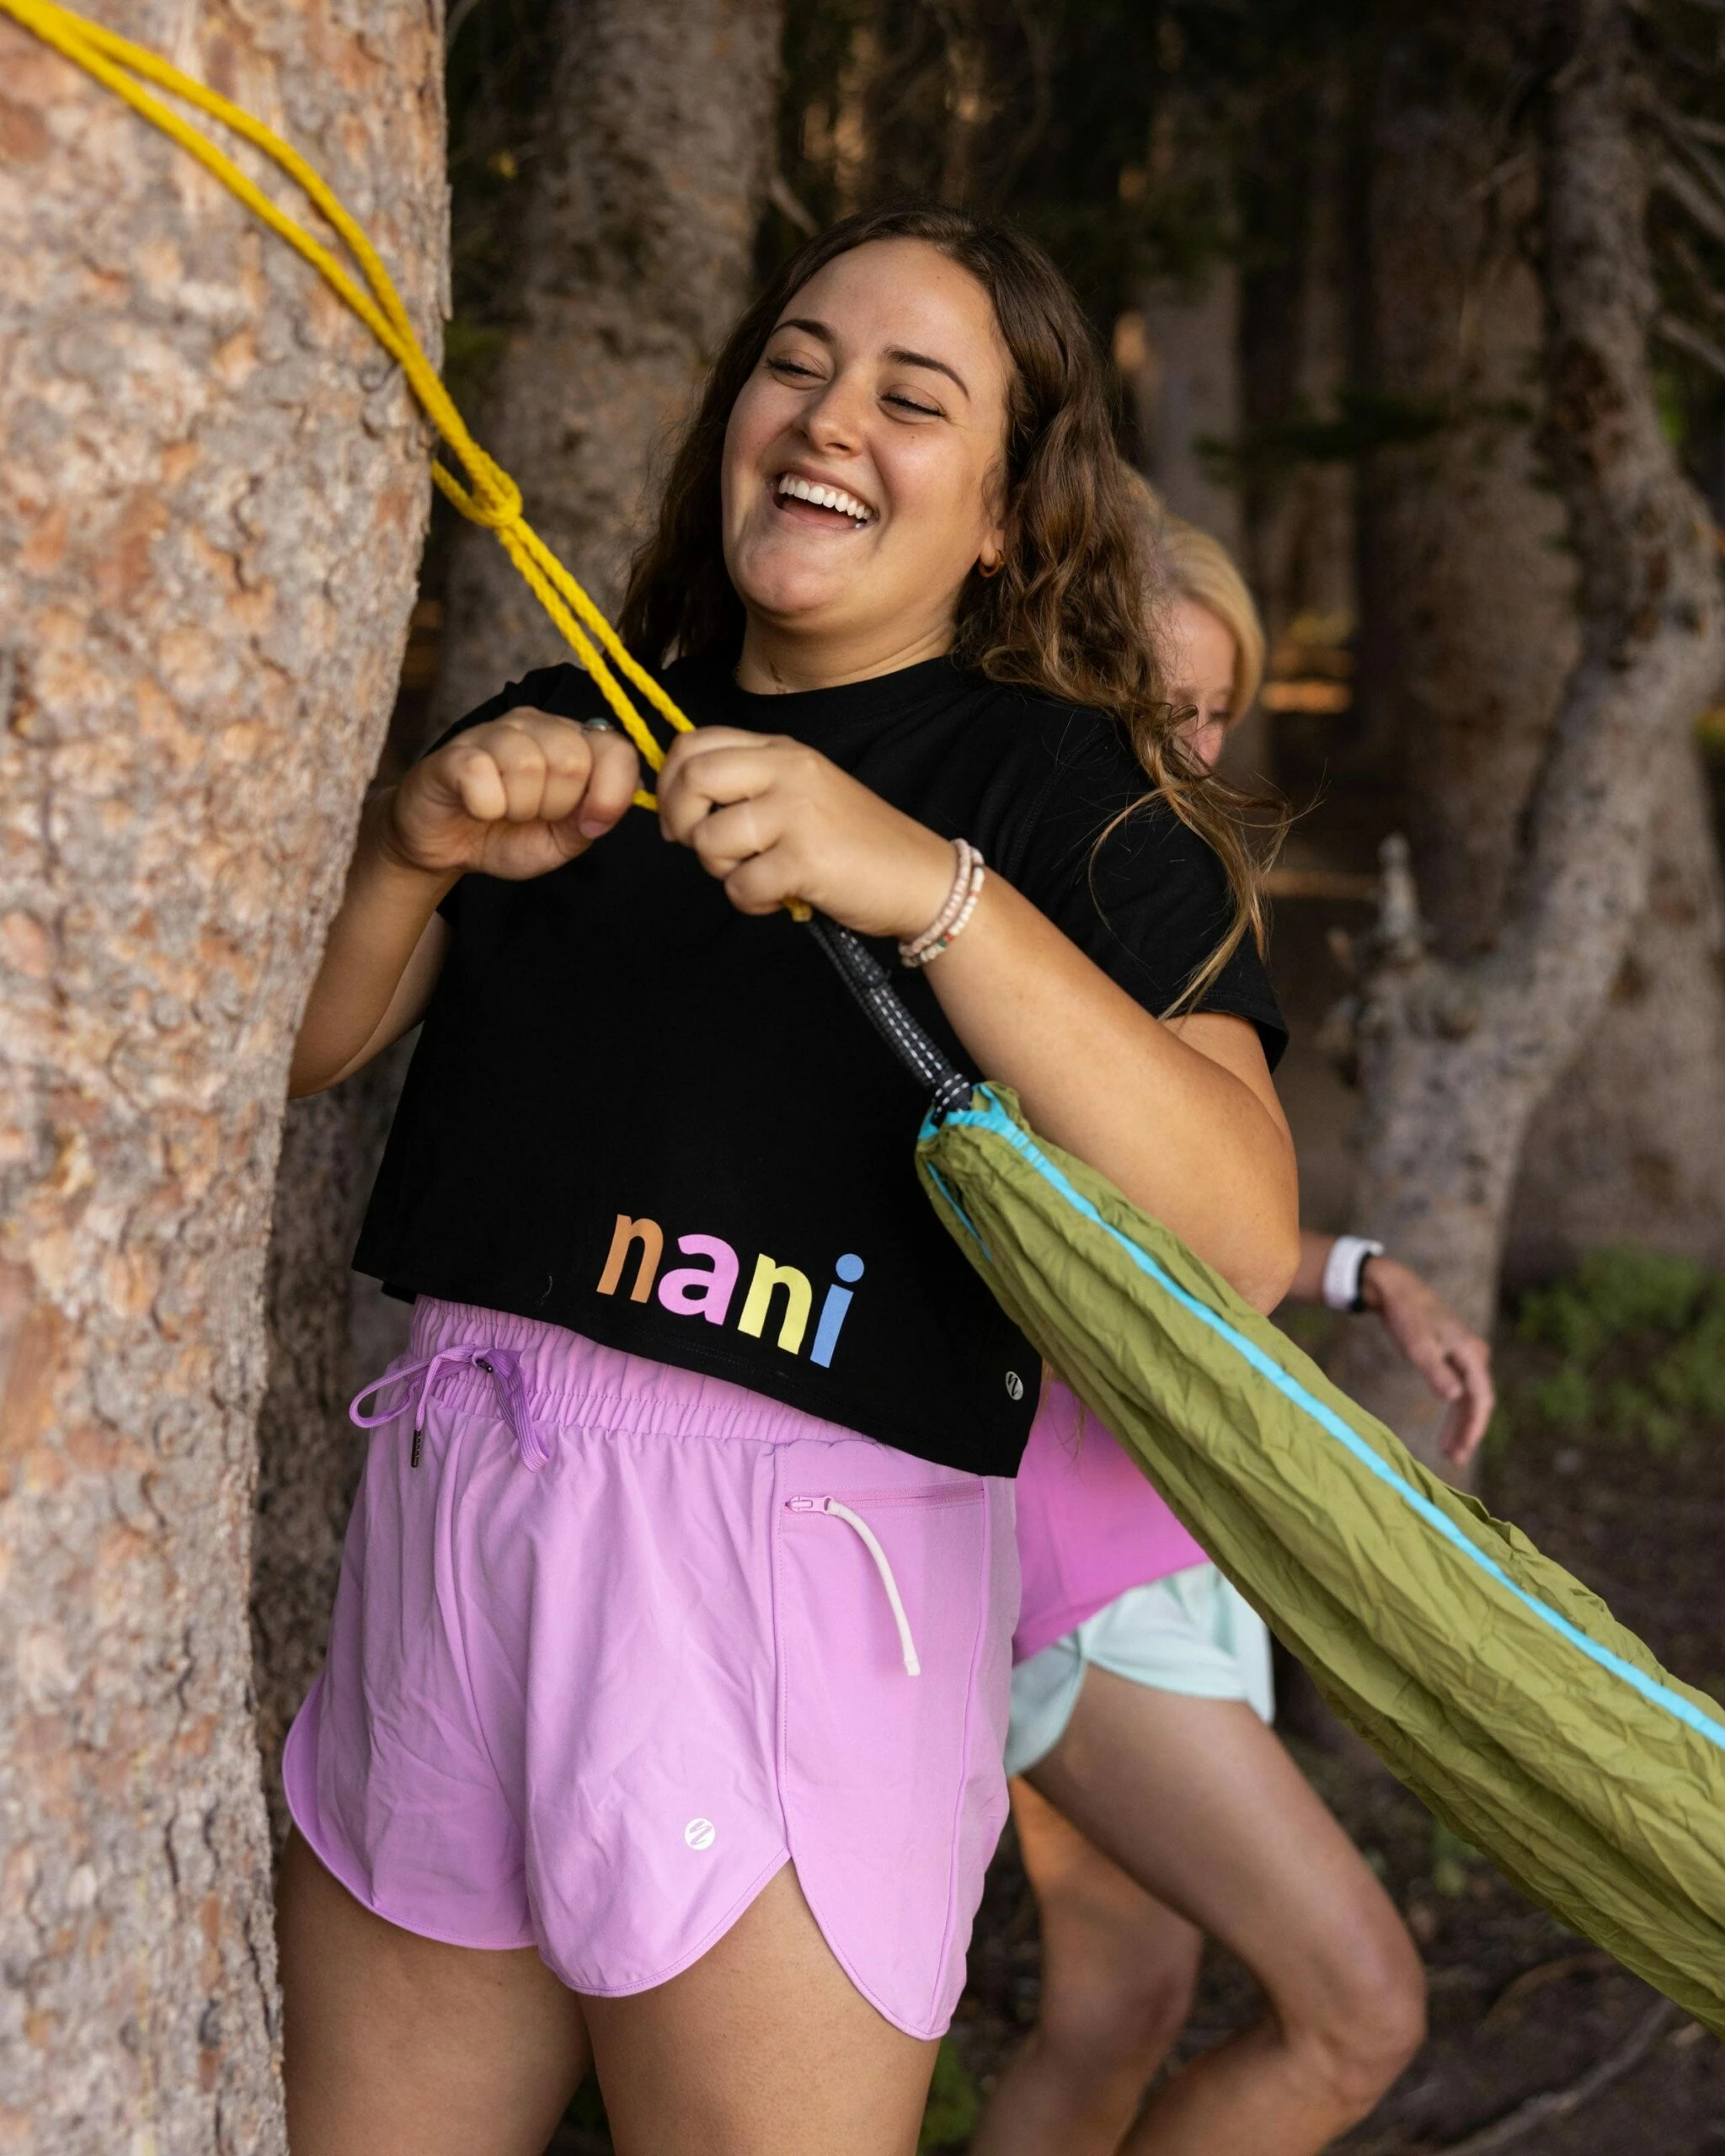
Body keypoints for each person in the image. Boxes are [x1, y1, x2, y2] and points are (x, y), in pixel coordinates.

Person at [273, 206, 1300, 2156]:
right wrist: (410, 848)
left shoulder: (1067, 793)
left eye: (914, 397)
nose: (830, 416)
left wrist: (925, 886)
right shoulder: (574, 716)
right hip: (453, 1526)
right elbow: (303, 1051)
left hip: (800, 1572)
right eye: (797, 364)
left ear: (1008, 513)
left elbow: (1238, 1228)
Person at [969, 510, 1495, 2156]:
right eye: (1154, 706)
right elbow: (1063, 1230)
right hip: (1069, 1549)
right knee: (1360, 2009)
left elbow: (1176, 1229)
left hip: (1163, 1515)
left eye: (1213, 713)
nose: (1189, 750)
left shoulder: (1151, 898)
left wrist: (1357, 1269)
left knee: (1121, 2003)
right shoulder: (1019, 917)